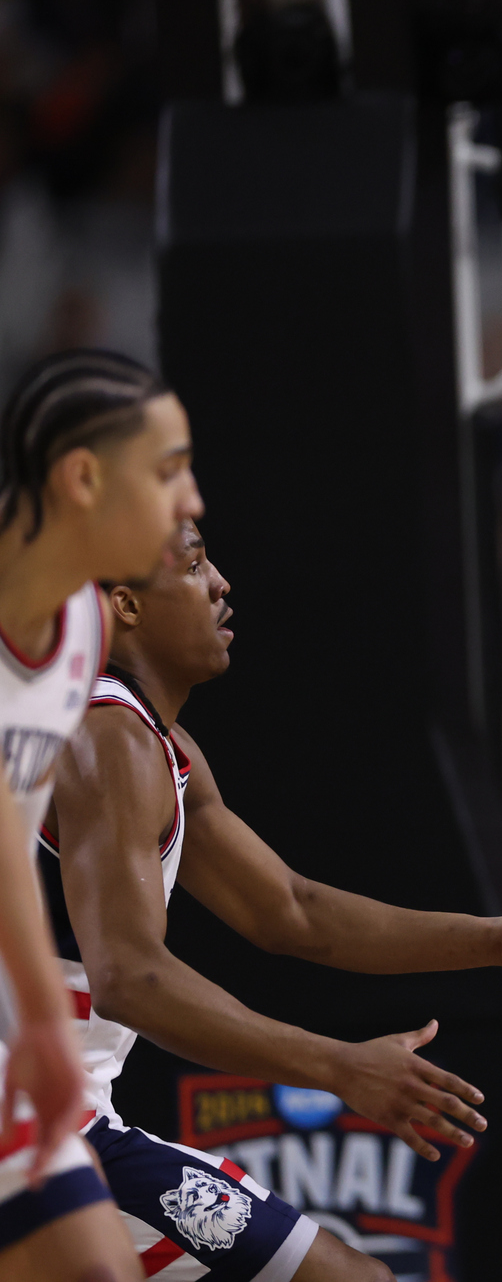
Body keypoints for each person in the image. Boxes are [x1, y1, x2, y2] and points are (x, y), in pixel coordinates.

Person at [43, 520, 502, 1282]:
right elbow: (131, 977)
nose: (222, 582)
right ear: (123, 604)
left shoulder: (157, 745)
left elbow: (292, 910)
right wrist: (339, 1066)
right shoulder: (105, 736)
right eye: (193, 566)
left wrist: (500, 939)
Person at [0, 351, 204, 1281]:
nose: (190, 498)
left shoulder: (77, 631)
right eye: (168, 470)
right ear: (84, 479)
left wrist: (42, 1026)